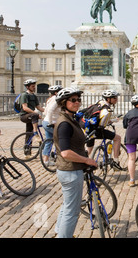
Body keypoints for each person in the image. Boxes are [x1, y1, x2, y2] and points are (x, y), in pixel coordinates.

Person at [53, 87, 97, 238]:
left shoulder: (70, 119)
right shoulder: (65, 123)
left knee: (67, 205)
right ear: (64, 103)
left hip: (68, 171)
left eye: (78, 99)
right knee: (72, 211)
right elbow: (65, 152)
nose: (77, 102)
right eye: (73, 100)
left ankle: (60, 231)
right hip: (70, 171)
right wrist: (87, 160)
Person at [85, 90, 122, 168]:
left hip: (89, 129)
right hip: (97, 131)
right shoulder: (107, 110)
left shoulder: (99, 103)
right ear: (108, 99)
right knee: (118, 138)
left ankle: (80, 162)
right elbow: (102, 124)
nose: (116, 99)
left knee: (89, 149)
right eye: (114, 98)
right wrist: (110, 121)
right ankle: (116, 161)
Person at [41, 85, 63, 166]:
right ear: (56, 92)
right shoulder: (56, 99)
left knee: (49, 141)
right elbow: (50, 110)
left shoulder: (50, 99)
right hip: (50, 123)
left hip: (46, 122)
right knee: (61, 140)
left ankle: (46, 161)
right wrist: (50, 122)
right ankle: (60, 158)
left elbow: (46, 111)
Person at [19, 79, 45, 143]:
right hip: (24, 115)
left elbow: (39, 107)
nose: (34, 87)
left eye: (34, 86)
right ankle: (36, 134)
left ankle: (27, 149)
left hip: (31, 116)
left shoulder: (34, 96)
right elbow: (25, 108)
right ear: (27, 87)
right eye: (32, 86)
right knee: (34, 115)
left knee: (29, 132)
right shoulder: (24, 95)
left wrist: (48, 111)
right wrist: (35, 113)